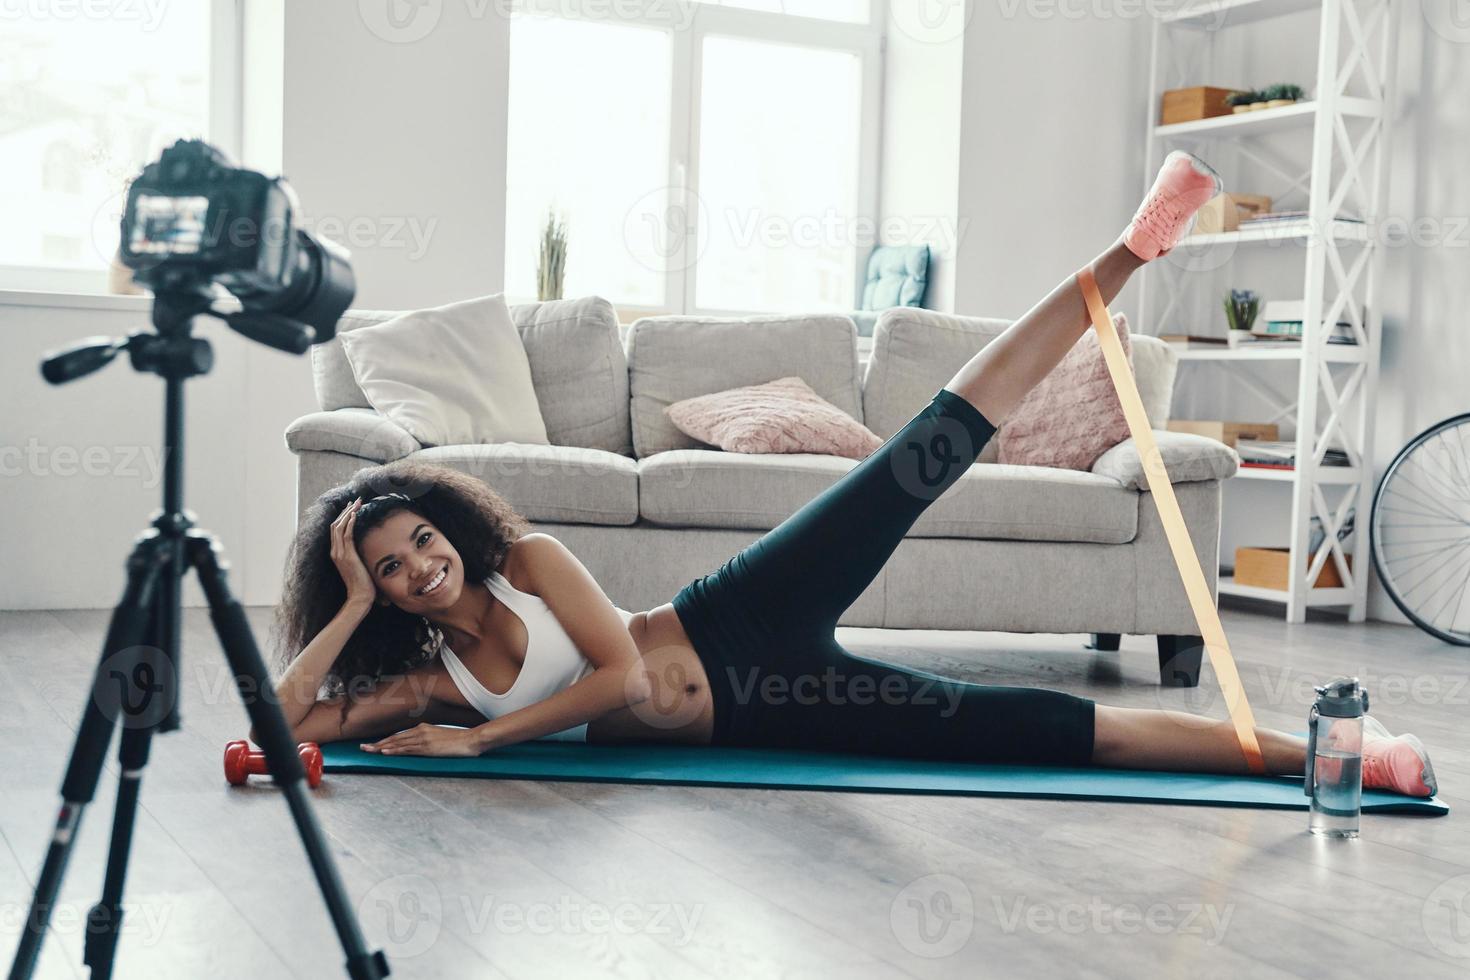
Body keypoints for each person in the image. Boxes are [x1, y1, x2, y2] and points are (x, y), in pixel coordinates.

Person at [263, 151, 1436, 797]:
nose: (417, 568)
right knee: (1049, 730)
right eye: (389, 571)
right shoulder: (429, 679)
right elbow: (286, 724)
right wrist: (352, 611)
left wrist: (484, 742)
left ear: (449, 526)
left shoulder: (528, 562)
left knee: (930, 446)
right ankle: (1323, 751)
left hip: (733, 615)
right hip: (770, 714)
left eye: (416, 543)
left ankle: (1129, 250)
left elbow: (619, 672)